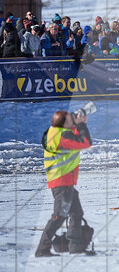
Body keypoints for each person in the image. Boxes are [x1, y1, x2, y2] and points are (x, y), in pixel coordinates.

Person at [36, 108, 94, 256]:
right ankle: (42, 249)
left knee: (76, 213)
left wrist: (78, 124)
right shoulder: (62, 136)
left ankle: (75, 247)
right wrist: (81, 125)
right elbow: (85, 142)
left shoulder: (56, 132)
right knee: (59, 216)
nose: (73, 120)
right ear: (63, 124)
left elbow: (73, 137)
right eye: (70, 119)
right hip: (62, 183)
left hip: (64, 183)